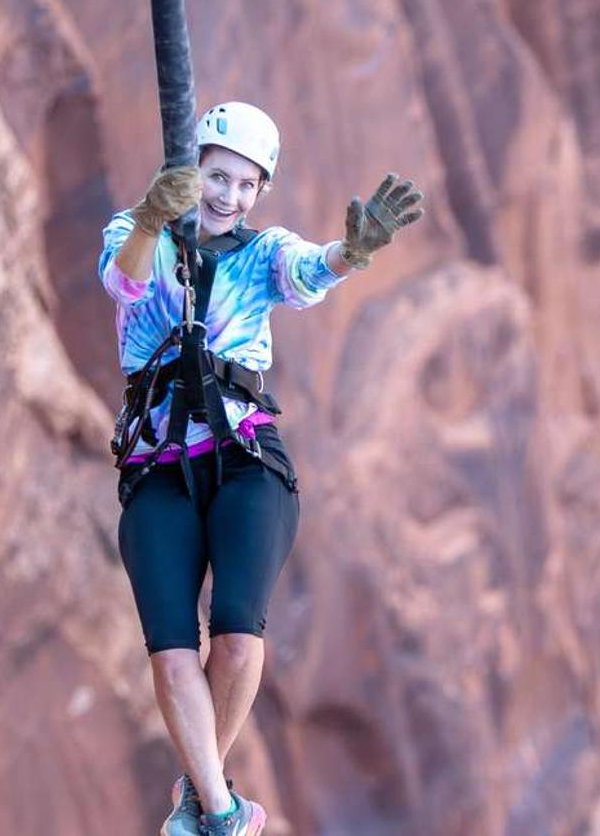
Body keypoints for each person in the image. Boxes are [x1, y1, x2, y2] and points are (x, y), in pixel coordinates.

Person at [99, 101, 425, 836]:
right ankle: (220, 811)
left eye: (247, 185)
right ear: (194, 171)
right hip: (158, 465)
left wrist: (354, 249)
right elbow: (123, 284)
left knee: (240, 635)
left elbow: (309, 272)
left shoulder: (260, 250)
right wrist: (154, 218)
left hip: (245, 456)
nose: (229, 196)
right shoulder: (132, 232)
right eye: (218, 177)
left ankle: (201, 798)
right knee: (172, 651)